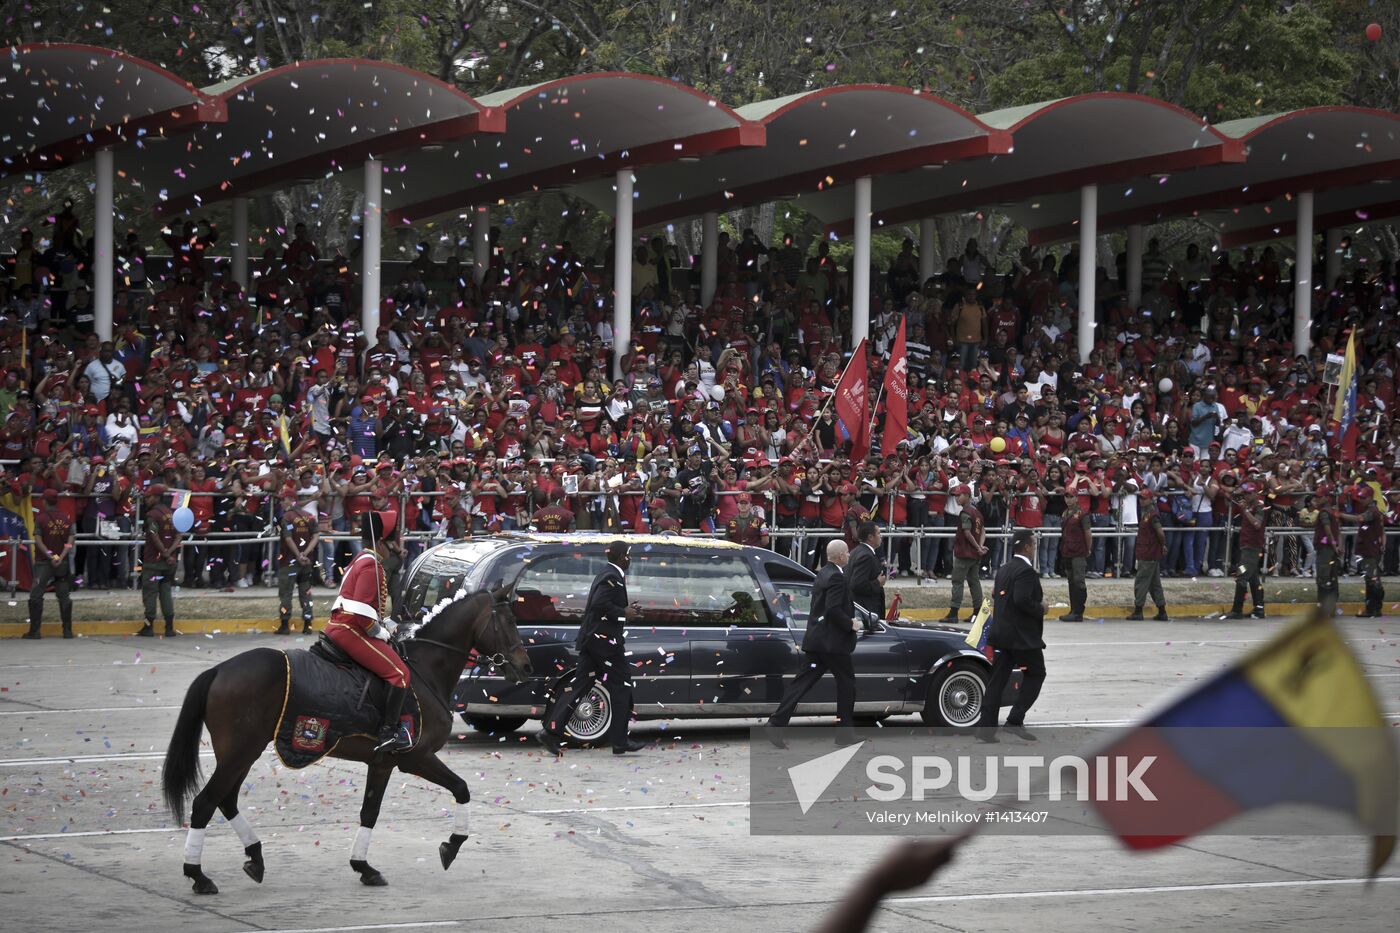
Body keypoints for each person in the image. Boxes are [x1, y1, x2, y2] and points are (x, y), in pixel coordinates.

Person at [537, 540, 649, 756]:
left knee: (580, 687)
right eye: (628, 555)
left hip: (593, 642)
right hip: (605, 645)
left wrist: (625, 610)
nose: (630, 559)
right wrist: (624, 613)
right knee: (622, 686)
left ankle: (550, 732)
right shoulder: (611, 576)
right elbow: (599, 605)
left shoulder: (606, 573)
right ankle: (620, 741)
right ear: (621, 557)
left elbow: (601, 606)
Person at [325, 511, 413, 754]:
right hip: (351, 629)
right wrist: (379, 632)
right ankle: (388, 732)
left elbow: (369, 607)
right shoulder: (370, 565)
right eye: (393, 542)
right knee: (400, 674)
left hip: (348, 625)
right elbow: (361, 613)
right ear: (381, 541)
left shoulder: (362, 560)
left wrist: (389, 625)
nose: (396, 547)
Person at [766, 540, 859, 746]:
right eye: (847, 553)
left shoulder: (823, 573)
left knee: (801, 683)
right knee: (847, 685)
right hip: (832, 644)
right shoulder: (836, 577)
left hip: (817, 641)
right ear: (840, 556)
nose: (849, 556)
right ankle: (844, 734)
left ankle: (776, 724)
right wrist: (850, 624)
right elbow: (833, 609)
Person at [977, 529, 1045, 741]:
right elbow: (1022, 600)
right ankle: (1015, 720)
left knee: (996, 682)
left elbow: (997, 596)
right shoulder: (1026, 572)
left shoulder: (1004, 569)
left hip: (1002, 634)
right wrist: (1041, 607)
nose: (1034, 549)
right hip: (1021, 638)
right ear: (1026, 547)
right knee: (1036, 674)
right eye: (1033, 545)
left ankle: (985, 730)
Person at [25, 488, 75, 639]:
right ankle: (67, 630)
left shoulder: (40, 519)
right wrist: (60, 556)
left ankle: (35, 631)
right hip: (62, 563)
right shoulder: (66, 519)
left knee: (36, 595)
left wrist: (50, 555)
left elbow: (38, 541)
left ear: (44, 501)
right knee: (64, 596)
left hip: (44, 563)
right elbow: (70, 541)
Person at [138, 484, 181, 637]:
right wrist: (170, 554)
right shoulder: (171, 513)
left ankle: (148, 627)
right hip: (169, 564)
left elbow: (154, 537)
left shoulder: (152, 515)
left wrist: (164, 553)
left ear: (156, 497)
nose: (146, 499)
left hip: (153, 562)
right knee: (166, 592)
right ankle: (169, 627)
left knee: (150, 593)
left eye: (149, 497)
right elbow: (179, 536)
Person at [277, 491, 319, 635]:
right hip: (307, 562)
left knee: (286, 594)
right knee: (306, 593)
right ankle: (308, 624)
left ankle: (284, 624)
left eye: (283, 500)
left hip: (289, 561)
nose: (281, 503)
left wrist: (298, 555)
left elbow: (288, 539)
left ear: (291, 500)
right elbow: (316, 536)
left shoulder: (287, 517)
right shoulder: (310, 516)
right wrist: (305, 554)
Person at [942, 486, 985, 621]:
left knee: (957, 582)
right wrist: (981, 546)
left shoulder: (965, 513)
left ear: (967, 495)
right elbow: (983, 531)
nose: (956, 498)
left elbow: (966, 533)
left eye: (959, 495)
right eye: (955, 496)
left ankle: (954, 613)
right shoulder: (977, 512)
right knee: (974, 582)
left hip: (964, 553)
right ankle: (978, 612)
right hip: (975, 554)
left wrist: (978, 546)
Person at [1126, 490, 1170, 621]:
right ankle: (1162, 611)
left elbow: (1160, 532)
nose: (1141, 500)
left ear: (1151, 499)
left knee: (1141, 582)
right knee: (1154, 584)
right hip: (1147, 552)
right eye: (1140, 498)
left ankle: (1138, 610)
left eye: (1144, 498)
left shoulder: (1152, 515)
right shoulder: (1146, 514)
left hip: (1149, 553)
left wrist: (1162, 545)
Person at [1224, 490, 1267, 620]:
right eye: (1245, 494)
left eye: (1249, 493)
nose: (1246, 496)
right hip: (1247, 547)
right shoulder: (1249, 506)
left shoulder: (1259, 507)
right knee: (1254, 579)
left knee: (1241, 576)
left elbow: (1257, 524)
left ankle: (1237, 610)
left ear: (1255, 494)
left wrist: (1246, 511)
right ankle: (1259, 609)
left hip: (1252, 548)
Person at [1057, 497, 1091, 622]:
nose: (1068, 499)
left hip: (1078, 551)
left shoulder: (1082, 513)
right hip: (1067, 550)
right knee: (1071, 581)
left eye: (1071, 497)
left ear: (1076, 498)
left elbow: (1087, 532)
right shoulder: (1065, 512)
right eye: (1066, 497)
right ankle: (1073, 610)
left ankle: (1078, 611)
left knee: (1078, 581)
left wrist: (1088, 549)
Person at [1310, 492, 1343, 613]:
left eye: (1319, 496)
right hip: (1332, 549)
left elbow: (1328, 531)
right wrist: (1339, 546)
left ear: (1326, 497)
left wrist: (1334, 547)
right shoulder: (1333, 511)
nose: (1316, 499)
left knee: (1323, 578)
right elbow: (1338, 531)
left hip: (1325, 549)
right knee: (1332, 577)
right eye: (1316, 497)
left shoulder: (1324, 512)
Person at [1354, 489, 1385, 618]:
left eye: (1364, 498)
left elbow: (1359, 518)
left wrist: (1340, 515)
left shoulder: (1372, 512)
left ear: (1371, 498)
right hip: (1370, 550)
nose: (1361, 500)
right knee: (1371, 580)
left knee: (1372, 581)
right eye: (1360, 498)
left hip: (1370, 551)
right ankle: (1374, 608)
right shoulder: (1372, 511)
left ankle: (1373, 609)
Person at [847, 520, 886, 619]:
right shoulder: (866, 556)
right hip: (865, 611)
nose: (880, 536)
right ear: (870, 537)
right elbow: (857, 585)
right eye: (878, 533)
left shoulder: (857, 551)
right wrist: (877, 582)